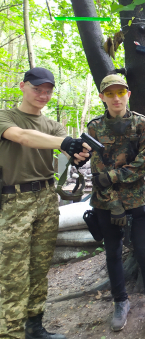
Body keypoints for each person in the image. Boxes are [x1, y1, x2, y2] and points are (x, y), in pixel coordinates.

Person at [0, 67, 90, 339]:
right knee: (13, 271)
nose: (43, 95)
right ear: (22, 86)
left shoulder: (52, 124)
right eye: (37, 88)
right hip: (14, 201)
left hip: (47, 199)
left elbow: (64, 151)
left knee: (40, 267)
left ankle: (35, 327)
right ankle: (10, 333)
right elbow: (24, 137)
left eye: (48, 90)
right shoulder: (6, 117)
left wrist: (77, 155)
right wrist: (64, 142)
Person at [86, 74, 145, 336]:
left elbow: (144, 162)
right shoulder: (94, 128)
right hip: (105, 204)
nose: (115, 98)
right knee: (112, 254)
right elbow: (97, 169)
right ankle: (120, 302)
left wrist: (113, 177)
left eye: (120, 93)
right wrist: (113, 202)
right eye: (109, 94)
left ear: (128, 94)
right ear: (102, 97)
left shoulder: (141, 124)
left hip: (136, 201)